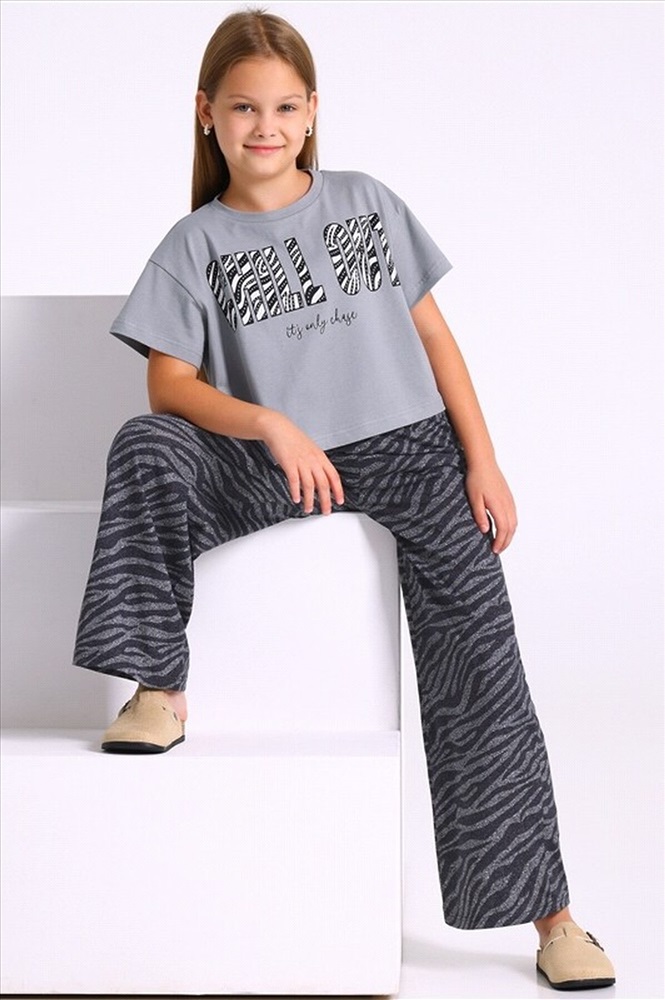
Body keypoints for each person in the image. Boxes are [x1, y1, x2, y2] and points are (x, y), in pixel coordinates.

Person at [72, 8, 616, 991]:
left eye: (285, 107)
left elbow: (436, 338)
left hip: (413, 451)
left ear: (313, 111)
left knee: (479, 664)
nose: (265, 127)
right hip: (278, 460)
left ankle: (553, 919)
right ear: (206, 113)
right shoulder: (192, 245)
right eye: (244, 108)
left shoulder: (365, 202)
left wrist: (482, 460)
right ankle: (157, 685)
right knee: (146, 445)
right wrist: (270, 423)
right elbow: (167, 386)